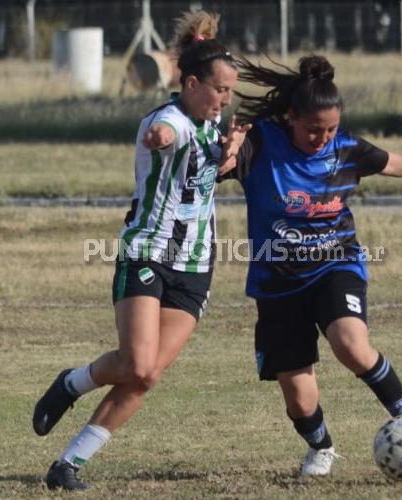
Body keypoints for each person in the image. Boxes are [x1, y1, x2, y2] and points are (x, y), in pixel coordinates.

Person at [32, 11, 246, 491]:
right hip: (147, 253)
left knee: (146, 376)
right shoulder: (169, 120)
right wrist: (161, 139)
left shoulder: (215, 127)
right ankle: (72, 383)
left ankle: (68, 464)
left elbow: (208, 170)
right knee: (138, 363)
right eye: (219, 90)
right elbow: (166, 137)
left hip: (196, 266)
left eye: (230, 92)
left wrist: (230, 153)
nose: (225, 99)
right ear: (191, 83)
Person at [218, 54, 402, 476]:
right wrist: (226, 152)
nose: (322, 137)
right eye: (313, 129)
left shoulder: (344, 148)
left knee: (352, 345)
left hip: (336, 263)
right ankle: (321, 448)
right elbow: (219, 166)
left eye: (329, 128)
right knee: (299, 397)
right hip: (276, 282)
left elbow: (385, 161)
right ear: (291, 117)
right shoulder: (260, 142)